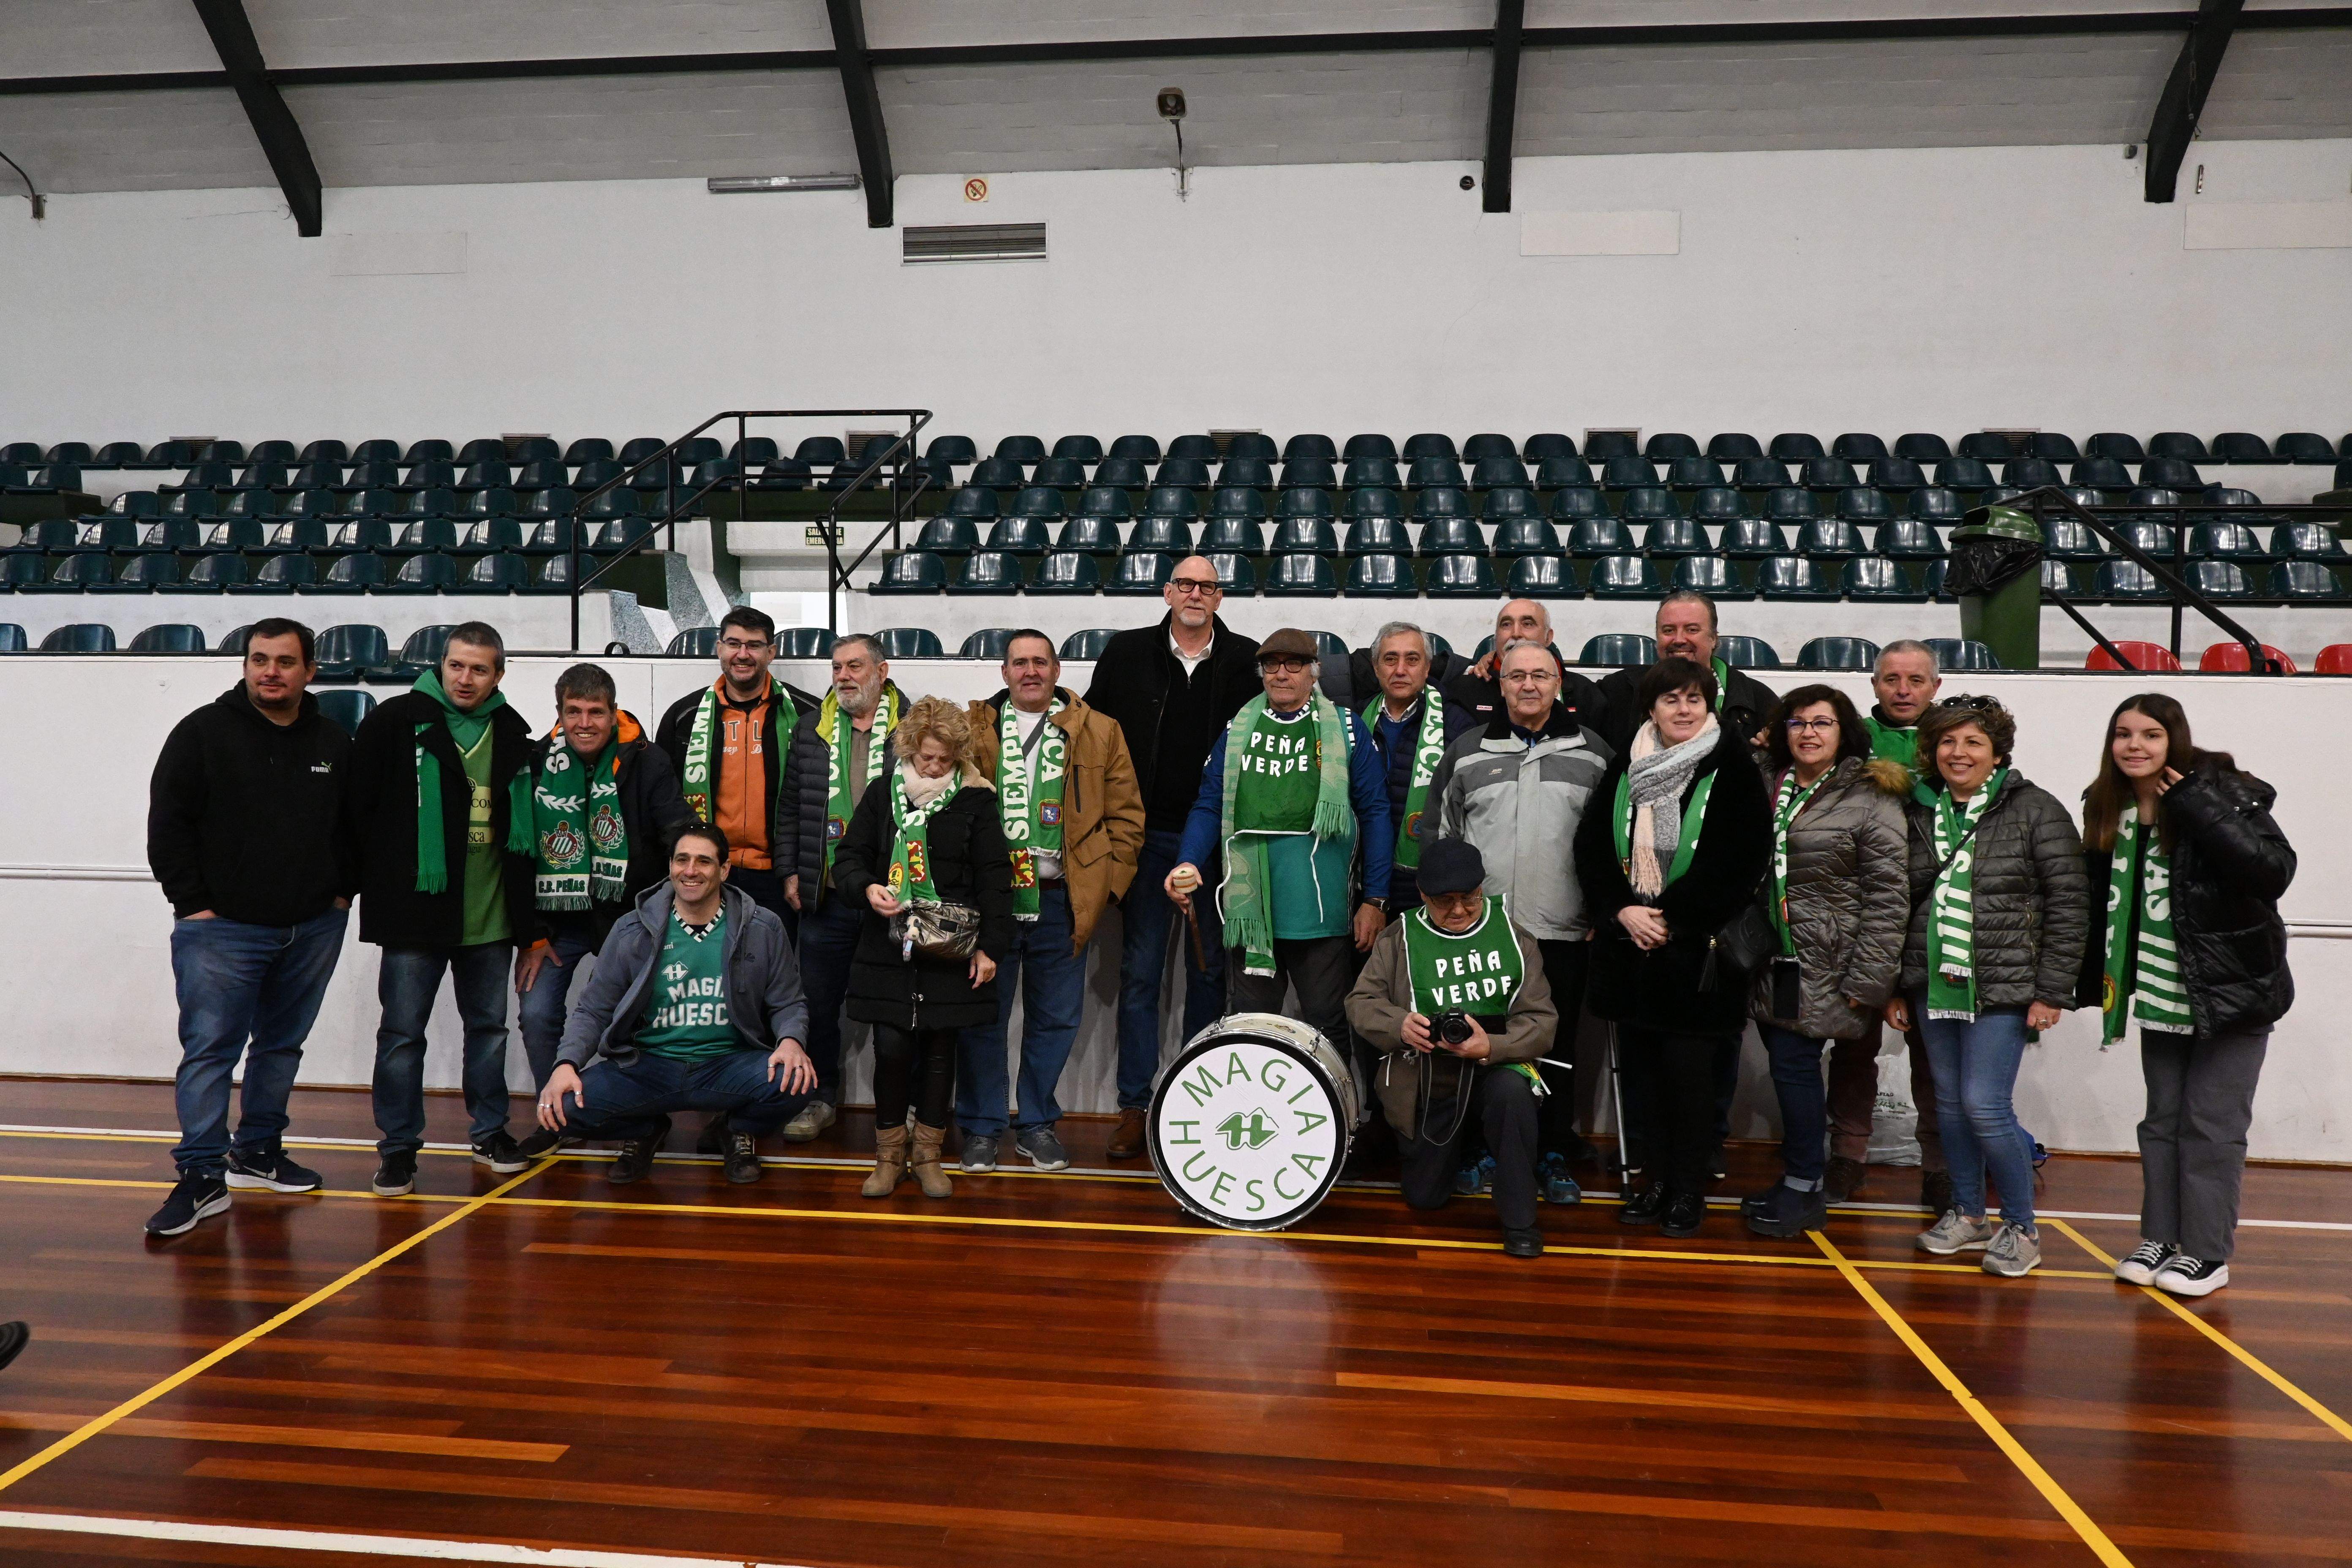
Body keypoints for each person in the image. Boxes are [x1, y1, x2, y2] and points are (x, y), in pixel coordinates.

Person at [143, 618, 353, 1237]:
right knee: (211, 1050)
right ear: (245, 666)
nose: (271, 672)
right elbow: (168, 825)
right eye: (260, 659)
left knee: (281, 1046)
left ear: (310, 671)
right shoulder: (202, 733)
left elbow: (354, 829)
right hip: (222, 930)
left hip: (313, 926)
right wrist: (194, 905)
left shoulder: (335, 742)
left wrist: (340, 897)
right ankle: (202, 1174)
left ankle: (258, 1151)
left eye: (286, 662)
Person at [2077, 695, 2293, 1297]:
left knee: (2212, 1127)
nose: (2135, 746)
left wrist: (2195, 805)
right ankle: (2162, 1238)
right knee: (2163, 1123)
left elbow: (2272, 872)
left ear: (2176, 740)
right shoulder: (2108, 809)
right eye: (2123, 734)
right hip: (2160, 996)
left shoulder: (2221, 791)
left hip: (2232, 994)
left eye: (2151, 734)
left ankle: (2207, 1253)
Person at [1887, 696, 2088, 1278]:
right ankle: (1969, 1214)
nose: (1959, 753)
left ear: (1998, 751)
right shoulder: (1919, 812)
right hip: (1932, 983)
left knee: (1984, 1104)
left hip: (2005, 986)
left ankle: (2021, 1227)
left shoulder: (2036, 809)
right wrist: (1899, 984)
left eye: (1973, 742)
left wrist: (2051, 990)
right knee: (1948, 1105)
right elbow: (1898, 903)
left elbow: (2070, 905)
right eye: (1948, 741)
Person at [1572, 656, 1772, 1238]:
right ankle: (1654, 1181)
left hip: (1696, 960)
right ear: (1651, 709)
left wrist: (1671, 919)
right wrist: (1622, 911)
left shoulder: (1731, 764)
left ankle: (1687, 1190)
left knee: (1692, 1085)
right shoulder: (1626, 764)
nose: (1683, 710)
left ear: (1708, 705)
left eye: (1694, 700)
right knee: (1642, 1084)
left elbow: (1741, 860)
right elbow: (1590, 847)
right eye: (1671, 700)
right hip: (1631, 954)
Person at [349, 622, 536, 1198]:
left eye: (480, 669)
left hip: (490, 917)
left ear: (498, 675)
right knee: (402, 1035)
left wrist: (530, 928)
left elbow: (523, 842)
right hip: (414, 914)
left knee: (489, 1031)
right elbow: (358, 810)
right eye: (457, 665)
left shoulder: (513, 733)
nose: (466, 678)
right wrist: (356, 891)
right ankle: (399, 1149)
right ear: (440, 665)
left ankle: (490, 1133)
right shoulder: (393, 721)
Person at [1085, 555, 1262, 1158]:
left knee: (1209, 975)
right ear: (1167, 592)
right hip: (1142, 839)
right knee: (1140, 975)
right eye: (1184, 584)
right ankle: (1135, 1105)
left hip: (1217, 844)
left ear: (1220, 596)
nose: (1194, 594)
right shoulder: (1126, 653)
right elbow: (1087, 734)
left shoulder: (1247, 661)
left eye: (1206, 586)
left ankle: (1191, 1097)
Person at [1431, 637, 1614, 1201]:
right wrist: (1452, 916)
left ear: (1559, 682)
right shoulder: (1465, 752)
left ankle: (1552, 1152)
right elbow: (1442, 842)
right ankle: (1482, 1151)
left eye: (1540, 675)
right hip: (1483, 933)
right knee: (1480, 1043)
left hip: (1561, 930)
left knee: (1554, 1049)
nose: (1528, 685)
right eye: (1517, 676)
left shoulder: (1596, 754)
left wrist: (1601, 910)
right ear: (1501, 684)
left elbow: (1610, 845)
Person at [958, 631, 1144, 1174]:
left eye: (1041, 662)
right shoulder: (974, 731)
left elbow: (1127, 818)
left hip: (1062, 901)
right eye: (1020, 663)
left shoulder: (1100, 731)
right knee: (984, 1018)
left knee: (1056, 1019)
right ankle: (982, 1127)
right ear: (1004, 673)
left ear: (1058, 670)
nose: (1031, 671)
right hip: (992, 904)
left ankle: (1036, 1122)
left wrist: (1106, 887)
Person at [536, 824, 816, 1185]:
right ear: (670, 866)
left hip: (728, 1063)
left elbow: (789, 1001)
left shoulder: (763, 927)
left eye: (704, 861)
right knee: (565, 1110)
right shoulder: (631, 929)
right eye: (682, 860)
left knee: (798, 1082)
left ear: (724, 870)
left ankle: (733, 1129)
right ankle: (646, 1129)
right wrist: (566, 1063)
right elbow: (593, 1009)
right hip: (648, 1066)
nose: (691, 870)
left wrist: (792, 1041)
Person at [1169, 628, 1392, 1075]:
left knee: (1327, 1025)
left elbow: (1375, 811)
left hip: (1322, 907)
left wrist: (1375, 899)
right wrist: (1188, 860)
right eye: (1272, 665)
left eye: (1294, 665)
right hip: (1252, 908)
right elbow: (1210, 803)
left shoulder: (1347, 728)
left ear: (1314, 673)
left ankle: (1337, 1127)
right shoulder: (1238, 729)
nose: (1282, 674)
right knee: (1252, 1027)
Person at [1742, 685, 1909, 1239]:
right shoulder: (1768, 782)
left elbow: (1889, 896)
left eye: (1822, 723)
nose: (1808, 733)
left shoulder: (1870, 795)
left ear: (1845, 733)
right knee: (1792, 1070)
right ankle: (1800, 1179)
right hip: (1777, 960)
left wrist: (1871, 979)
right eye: (1797, 723)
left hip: (1836, 964)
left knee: (1795, 1069)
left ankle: (1804, 1187)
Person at [833, 697, 1014, 1200]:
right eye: (925, 757)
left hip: (951, 953)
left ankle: (929, 1154)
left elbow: (996, 881)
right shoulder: (880, 794)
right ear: (909, 749)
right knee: (890, 1050)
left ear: (958, 755)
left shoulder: (976, 800)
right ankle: (889, 1156)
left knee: (940, 1053)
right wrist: (867, 887)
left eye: (944, 759)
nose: (933, 767)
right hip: (886, 949)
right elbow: (846, 859)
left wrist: (990, 949)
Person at [513, 663, 696, 1156]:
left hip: (631, 919)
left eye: (596, 712)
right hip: (559, 922)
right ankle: (556, 1115)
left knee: (633, 1021)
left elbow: (676, 829)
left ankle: (640, 1124)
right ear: (559, 715)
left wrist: (668, 918)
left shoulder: (647, 761)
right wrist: (530, 936)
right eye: (574, 712)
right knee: (536, 1010)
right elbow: (520, 854)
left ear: (614, 714)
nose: (585, 723)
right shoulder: (535, 762)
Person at [1346, 838, 1560, 1258]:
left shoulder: (1515, 939)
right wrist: (1399, 1024)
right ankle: (1459, 1157)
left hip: (1496, 1067)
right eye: (1445, 901)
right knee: (1425, 1198)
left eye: (1470, 897)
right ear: (1424, 896)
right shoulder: (1399, 937)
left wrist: (1491, 1046)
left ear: (1483, 889)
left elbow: (1542, 1022)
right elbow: (1360, 1003)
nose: (1459, 910)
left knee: (1513, 1096)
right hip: (1428, 1075)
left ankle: (1521, 1222)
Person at [775, 632, 906, 1142]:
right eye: (837, 668)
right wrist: (790, 870)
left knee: (893, 1009)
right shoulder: (812, 730)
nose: (845, 676)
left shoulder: (913, 727)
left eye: (855, 665)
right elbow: (791, 809)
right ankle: (820, 1096)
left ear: (882, 670)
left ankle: (898, 1110)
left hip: (890, 898)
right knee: (817, 1006)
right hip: (826, 897)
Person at [1829, 639, 1945, 1206]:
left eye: (1915, 680)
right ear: (1874, 685)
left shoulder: (1958, 739)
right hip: (1861, 912)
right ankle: (1847, 1157)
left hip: (1934, 912)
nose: (1903, 690)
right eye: (1892, 679)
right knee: (1854, 1043)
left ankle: (1941, 1166)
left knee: (1935, 1050)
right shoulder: (1847, 741)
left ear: (1935, 687)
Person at [655, 607, 819, 929]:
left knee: (769, 972)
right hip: (706, 872)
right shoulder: (683, 716)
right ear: (719, 649)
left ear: (771, 652)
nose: (742, 654)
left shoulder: (807, 715)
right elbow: (664, 799)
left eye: (754, 645)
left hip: (781, 875)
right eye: (734, 644)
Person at [1592, 592, 1778, 757]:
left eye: (1692, 630)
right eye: (1669, 630)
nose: (1679, 639)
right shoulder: (1616, 689)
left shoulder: (1758, 699)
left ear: (1714, 638)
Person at [1360, 621, 1451, 914]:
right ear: (1376, 668)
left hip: (1429, 885)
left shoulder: (1454, 724)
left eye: (1412, 660)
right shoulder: (1352, 721)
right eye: (1390, 659)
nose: (1400, 670)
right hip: (1360, 881)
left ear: (1427, 668)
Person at [1442, 598, 1608, 742]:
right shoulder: (1463, 691)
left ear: (1548, 637)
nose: (1516, 633)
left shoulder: (1585, 693)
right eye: (1506, 625)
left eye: (1527, 624)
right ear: (1496, 638)